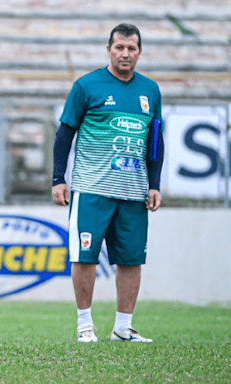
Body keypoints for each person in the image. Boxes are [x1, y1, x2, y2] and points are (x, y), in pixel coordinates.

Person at [51, 23, 164, 343]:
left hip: (134, 191)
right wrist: (59, 178)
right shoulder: (88, 86)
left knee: (131, 259)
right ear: (109, 50)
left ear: (139, 52)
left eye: (131, 48)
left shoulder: (150, 90)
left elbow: (156, 139)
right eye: (119, 47)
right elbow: (64, 134)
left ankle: (123, 327)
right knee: (84, 256)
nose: (125, 53)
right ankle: (85, 325)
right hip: (91, 189)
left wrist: (154, 184)